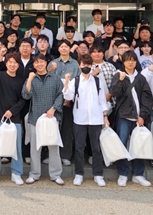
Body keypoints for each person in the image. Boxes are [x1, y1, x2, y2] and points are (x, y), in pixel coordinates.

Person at [63, 54, 109, 187]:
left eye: (88, 65)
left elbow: (102, 101)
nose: (86, 67)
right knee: (79, 148)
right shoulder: (75, 81)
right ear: (79, 66)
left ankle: (98, 174)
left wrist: (105, 116)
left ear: (92, 66)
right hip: (80, 118)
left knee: (96, 148)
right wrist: (66, 82)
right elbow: (68, 96)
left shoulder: (97, 82)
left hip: (96, 118)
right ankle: (79, 174)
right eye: (83, 65)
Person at [111, 51, 153, 187]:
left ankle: (138, 174)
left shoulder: (140, 78)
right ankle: (123, 173)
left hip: (139, 118)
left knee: (139, 145)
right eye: (127, 60)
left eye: (133, 60)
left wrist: (143, 116)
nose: (130, 62)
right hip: (124, 116)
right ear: (123, 62)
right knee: (122, 144)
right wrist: (120, 80)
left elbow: (147, 98)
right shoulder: (118, 75)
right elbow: (114, 93)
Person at [0, 53, 26, 186]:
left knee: (16, 146)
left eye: (15, 63)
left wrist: (12, 111)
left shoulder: (21, 79)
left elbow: (23, 99)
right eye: (10, 62)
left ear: (18, 65)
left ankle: (16, 173)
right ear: (6, 63)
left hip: (15, 118)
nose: (12, 65)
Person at [21, 53, 64, 185]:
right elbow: (26, 95)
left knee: (53, 147)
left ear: (46, 63)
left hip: (51, 117)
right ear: (33, 65)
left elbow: (61, 95)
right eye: (36, 62)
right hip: (35, 117)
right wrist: (29, 79)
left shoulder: (55, 78)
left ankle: (56, 174)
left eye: (41, 61)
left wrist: (54, 108)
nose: (39, 64)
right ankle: (34, 174)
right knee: (35, 148)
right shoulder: (32, 78)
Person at [48, 39, 81, 166]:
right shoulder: (53, 63)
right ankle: (52, 155)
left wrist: (69, 98)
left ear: (69, 49)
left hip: (69, 100)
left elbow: (78, 81)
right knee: (52, 128)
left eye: (66, 46)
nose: (64, 48)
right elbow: (47, 78)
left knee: (67, 128)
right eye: (61, 46)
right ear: (58, 49)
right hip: (53, 99)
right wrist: (51, 70)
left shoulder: (75, 64)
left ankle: (66, 155)